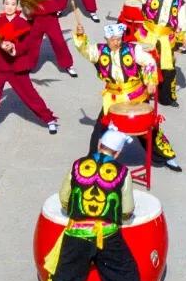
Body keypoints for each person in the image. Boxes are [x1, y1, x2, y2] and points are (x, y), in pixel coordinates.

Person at [40, 128, 151, 281]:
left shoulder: (77, 165)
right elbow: (126, 209)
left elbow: (64, 197)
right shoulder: (123, 172)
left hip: (77, 234)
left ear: (99, 144)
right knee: (123, 274)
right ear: (117, 153)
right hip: (107, 234)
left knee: (66, 275)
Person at [74, 20, 180, 171]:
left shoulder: (132, 49)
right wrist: (80, 35)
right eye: (113, 40)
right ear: (107, 39)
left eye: (118, 39)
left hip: (134, 96)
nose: (116, 42)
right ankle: (94, 158)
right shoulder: (99, 51)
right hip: (112, 98)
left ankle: (166, 157)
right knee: (100, 128)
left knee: (147, 129)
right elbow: (85, 50)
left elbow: (149, 61)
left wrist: (150, 81)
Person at [0, 0, 58, 135]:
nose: (9, 7)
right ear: (3, 5)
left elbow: (27, 44)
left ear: (17, 6)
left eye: (13, 4)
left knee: (30, 96)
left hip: (17, 68)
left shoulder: (23, 23)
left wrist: (14, 49)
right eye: (7, 3)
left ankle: (49, 119)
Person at [119, 0, 186, 107]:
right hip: (148, 34)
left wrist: (185, 35)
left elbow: (183, 21)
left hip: (165, 38)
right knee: (143, 63)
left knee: (167, 67)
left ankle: (166, 96)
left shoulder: (180, 3)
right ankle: (140, 93)